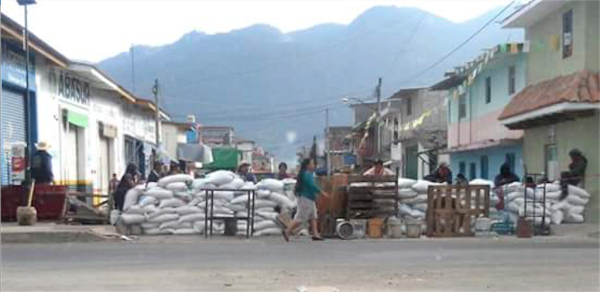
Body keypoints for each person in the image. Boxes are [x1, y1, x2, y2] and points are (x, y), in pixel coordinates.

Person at [282, 159, 329, 242]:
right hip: (305, 198)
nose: (314, 165)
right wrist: (321, 192)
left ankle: (315, 234)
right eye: (312, 163)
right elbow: (312, 185)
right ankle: (287, 231)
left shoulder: (308, 174)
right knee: (301, 218)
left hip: (310, 198)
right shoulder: (306, 174)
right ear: (307, 165)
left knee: (314, 216)